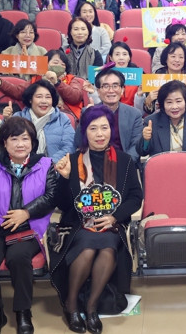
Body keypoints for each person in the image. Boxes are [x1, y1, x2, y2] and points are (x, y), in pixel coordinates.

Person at [52, 105, 143, 333]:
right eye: (93, 128)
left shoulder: (124, 160)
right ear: (84, 132)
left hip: (112, 224)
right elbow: (62, 204)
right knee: (88, 248)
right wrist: (64, 179)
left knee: (108, 247)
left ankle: (91, 307)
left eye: (104, 127)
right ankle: (72, 305)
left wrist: (114, 217)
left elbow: (135, 197)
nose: (100, 134)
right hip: (79, 224)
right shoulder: (73, 160)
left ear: (111, 130)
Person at [0, 117, 56, 334]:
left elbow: (52, 196)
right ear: (4, 143)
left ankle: (23, 312)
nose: (20, 144)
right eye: (14, 139)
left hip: (30, 226)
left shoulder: (45, 164)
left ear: (33, 142)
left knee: (19, 257)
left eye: (25, 139)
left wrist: (26, 212)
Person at [0, 49, 86, 121]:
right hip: (36, 115)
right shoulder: (37, 79)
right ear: (46, 64)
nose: (60, 66)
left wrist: (57, 83)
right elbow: (18, 92)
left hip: (64, 115)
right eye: (56, 62)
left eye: (63, 65)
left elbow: (75, 97)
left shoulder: (71, 79)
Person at [74, 68, 143, 162]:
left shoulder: (134, 114)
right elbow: (78, 142)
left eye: (115, 86)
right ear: (98, 91)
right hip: (94, 164)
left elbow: (136, 146)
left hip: (124, 163)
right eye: (106, 86)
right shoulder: (87, 111)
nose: (111, 90)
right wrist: (86, 118)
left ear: (122, 90)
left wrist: (124, 164)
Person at [2, 80, 75, 163]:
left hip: (54, 166)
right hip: (22, 166)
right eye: (39, 97)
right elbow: (5, 143)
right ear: (30, 99)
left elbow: (70, 147)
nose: (44, 101)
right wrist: (7, 121)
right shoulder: (18, 117)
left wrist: (48, 163)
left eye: (48, 97)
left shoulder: (62, 119)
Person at [137, 80, 186, 159]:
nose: (174, 107)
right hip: (163, 165)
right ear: (162, 104)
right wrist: (146, 140)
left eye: (178, 101)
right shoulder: (152, 121)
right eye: (169, 102)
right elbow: (142, 152)